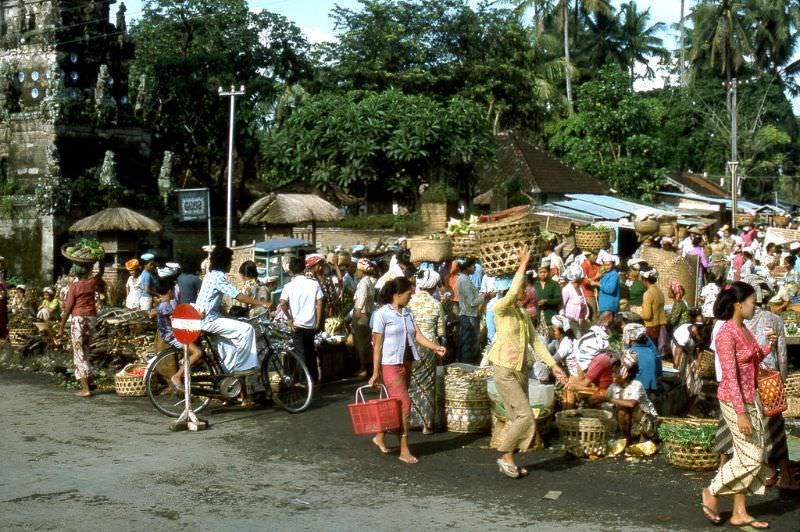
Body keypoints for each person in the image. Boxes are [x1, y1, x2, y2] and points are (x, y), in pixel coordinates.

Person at [487, 246, 566, 479]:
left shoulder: (522, 314)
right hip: (504, 368)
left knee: (515, 417)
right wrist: (523, 264)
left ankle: (509, 456)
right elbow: (511, 294)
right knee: (525, 415)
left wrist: (553, 365)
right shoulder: (500, 308)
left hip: (520, 368)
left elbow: (536, 343)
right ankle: (505, 455)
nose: (526, 291)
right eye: (523, 287)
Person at [701, 282, 776, 528]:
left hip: (750, 396)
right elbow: (730, 375)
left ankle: (739, 512)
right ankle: (711, 491)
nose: (756, 306)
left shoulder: (742, 328)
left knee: (752, 452)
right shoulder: (725, 333)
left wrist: (768, 347)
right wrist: (741, 413)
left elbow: (751, 360)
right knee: (752, 457)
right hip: (734, 401)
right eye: (753, 301)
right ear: (738, 304)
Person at [369, 277, 446, 464]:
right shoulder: (382, 314)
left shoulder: (408, 313)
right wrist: (375, 372)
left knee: (393, 403)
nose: (411, 297)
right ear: (397, 294)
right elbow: (377, 346)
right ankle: (404, 449)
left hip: (407, 363)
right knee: (405, 404)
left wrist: (435, 346)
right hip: (390, 365)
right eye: (408, 294)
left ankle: (379, 436)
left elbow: (418, 335)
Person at [195, 246, 270, 407]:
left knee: (230, 354)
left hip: (207, 318)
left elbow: (215, 302)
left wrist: (228, 317)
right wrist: (262, 303)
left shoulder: (210, 276)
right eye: (230, 261)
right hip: (209, 320)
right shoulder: (219, 277)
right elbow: (237, 295)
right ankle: (245, 368)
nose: (231, 264)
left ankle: (231, 391)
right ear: (224, 262)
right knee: (247, 330)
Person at [408, 269, 446, 434]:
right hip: (429, 347)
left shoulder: (409, 303)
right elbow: (441, 332)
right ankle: (426, 425)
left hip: (411, 346)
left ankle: (409, 419)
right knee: (428, 385)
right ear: (433, 286)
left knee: (411, 383)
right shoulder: (436, 304)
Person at [58, 262, 106, 397]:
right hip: (91, 319)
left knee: (79, 354)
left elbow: (68, 308)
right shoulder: (92, 283)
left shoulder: (74, 287)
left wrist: (61, 327)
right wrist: (100, 259)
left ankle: (85, 389)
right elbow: (100, 273)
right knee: (85, 349)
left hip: (78, 319)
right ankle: (90, 381)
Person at [596, 351, 658, 445]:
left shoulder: (637, 385)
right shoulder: (613, 387)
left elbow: (631, 403)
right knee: (621, 411)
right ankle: (628, 438)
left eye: (615, 374)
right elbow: (607, 408)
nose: (612, 376)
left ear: (625, 375)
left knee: (632, 408)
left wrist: (607, 399)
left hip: (647, 422)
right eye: (612, 373)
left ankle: (645, 436)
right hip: (630, 423)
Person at [280, 256, 324, 384]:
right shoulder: (314, 284)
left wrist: (289, 319)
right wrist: (319, 321)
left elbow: (282, 303)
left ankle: (304, 381)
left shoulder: (288, 286)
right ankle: (314, 379)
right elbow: (320, 302)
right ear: (304, 268)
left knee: (300, 353)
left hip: (297, 325)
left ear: (291, 271)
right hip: (311, 324)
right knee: (310, 351)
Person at [153, 280, 203, 389]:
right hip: (173, 336)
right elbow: (177, 319)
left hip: (171, 335)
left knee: (193, 351)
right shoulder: (165, 305)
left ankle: (184, 364)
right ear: (170, 291)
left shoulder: (162, 304)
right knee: (197, 353)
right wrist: (197, 315)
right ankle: (177, 376)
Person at [622, 323, 661, 396]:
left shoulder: (631, 352)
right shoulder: (650, 351)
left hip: (637, 391)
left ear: (629, 338)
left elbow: (623, 375)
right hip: (650, 389)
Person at [353, 258, 376, 378]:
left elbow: (361, 298)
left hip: (362, 315)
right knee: (366, 343)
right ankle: (368, 367)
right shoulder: (368, 281)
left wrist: (357, 310)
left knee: (361, 343)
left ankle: (364, 368)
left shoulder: (363, 283)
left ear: (361, 270)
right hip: (367, 314)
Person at [456, 258, 481, 363]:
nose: (474, 267)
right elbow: (472, 302)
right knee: (468, 345)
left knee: (465, 343)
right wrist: (485, 296)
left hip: (467, 315)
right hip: (469, 315)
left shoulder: (464, 278)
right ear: (466, 267)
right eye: (472, 265)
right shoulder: (465, 280)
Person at [640, 268, 669, 358]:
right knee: (658, 355)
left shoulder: (648, 293)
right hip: (662, 327)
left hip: (652, 328)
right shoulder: (659, 292)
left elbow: (647, 316)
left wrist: (639, 312)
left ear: (645, 279)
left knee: (651, 354)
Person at [561, 266, 589, 332]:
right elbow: (562, 305)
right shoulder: (566, 289)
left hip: (581, 320)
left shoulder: (580, 288)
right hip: (572, 321)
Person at [580, 250, 601, 320]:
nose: (596, 257)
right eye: (594, 255)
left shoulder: (597, 265)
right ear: (588, 256)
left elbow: (602, 272)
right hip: (588, 294)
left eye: (597, 255)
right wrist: (596, 278)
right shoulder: (583, 265)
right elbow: (584, 281)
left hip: (598, 293)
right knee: (593, 315)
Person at [0, 256, 7, 340]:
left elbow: (4, 284)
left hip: (2, 294)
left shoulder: (2, 273)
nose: (1, 264)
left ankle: (2, 331)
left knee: (2, 312)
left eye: (1, 263)